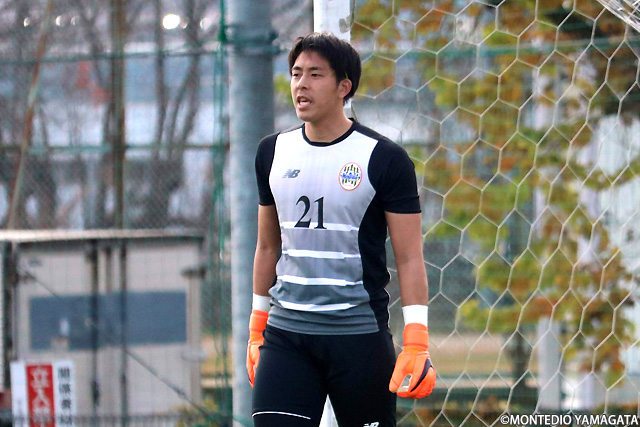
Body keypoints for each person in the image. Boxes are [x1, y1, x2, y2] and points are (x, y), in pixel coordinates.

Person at [247, 32, 436, 427]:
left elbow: (409, 257)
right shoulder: (272, 152)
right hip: (286, 338)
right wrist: (257, 326)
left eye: (315, 74)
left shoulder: (385, 159)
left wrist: (416, 339)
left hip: (359, 339)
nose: (301, 84)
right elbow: (267, 247)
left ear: (343, 86)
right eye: (296, 73)